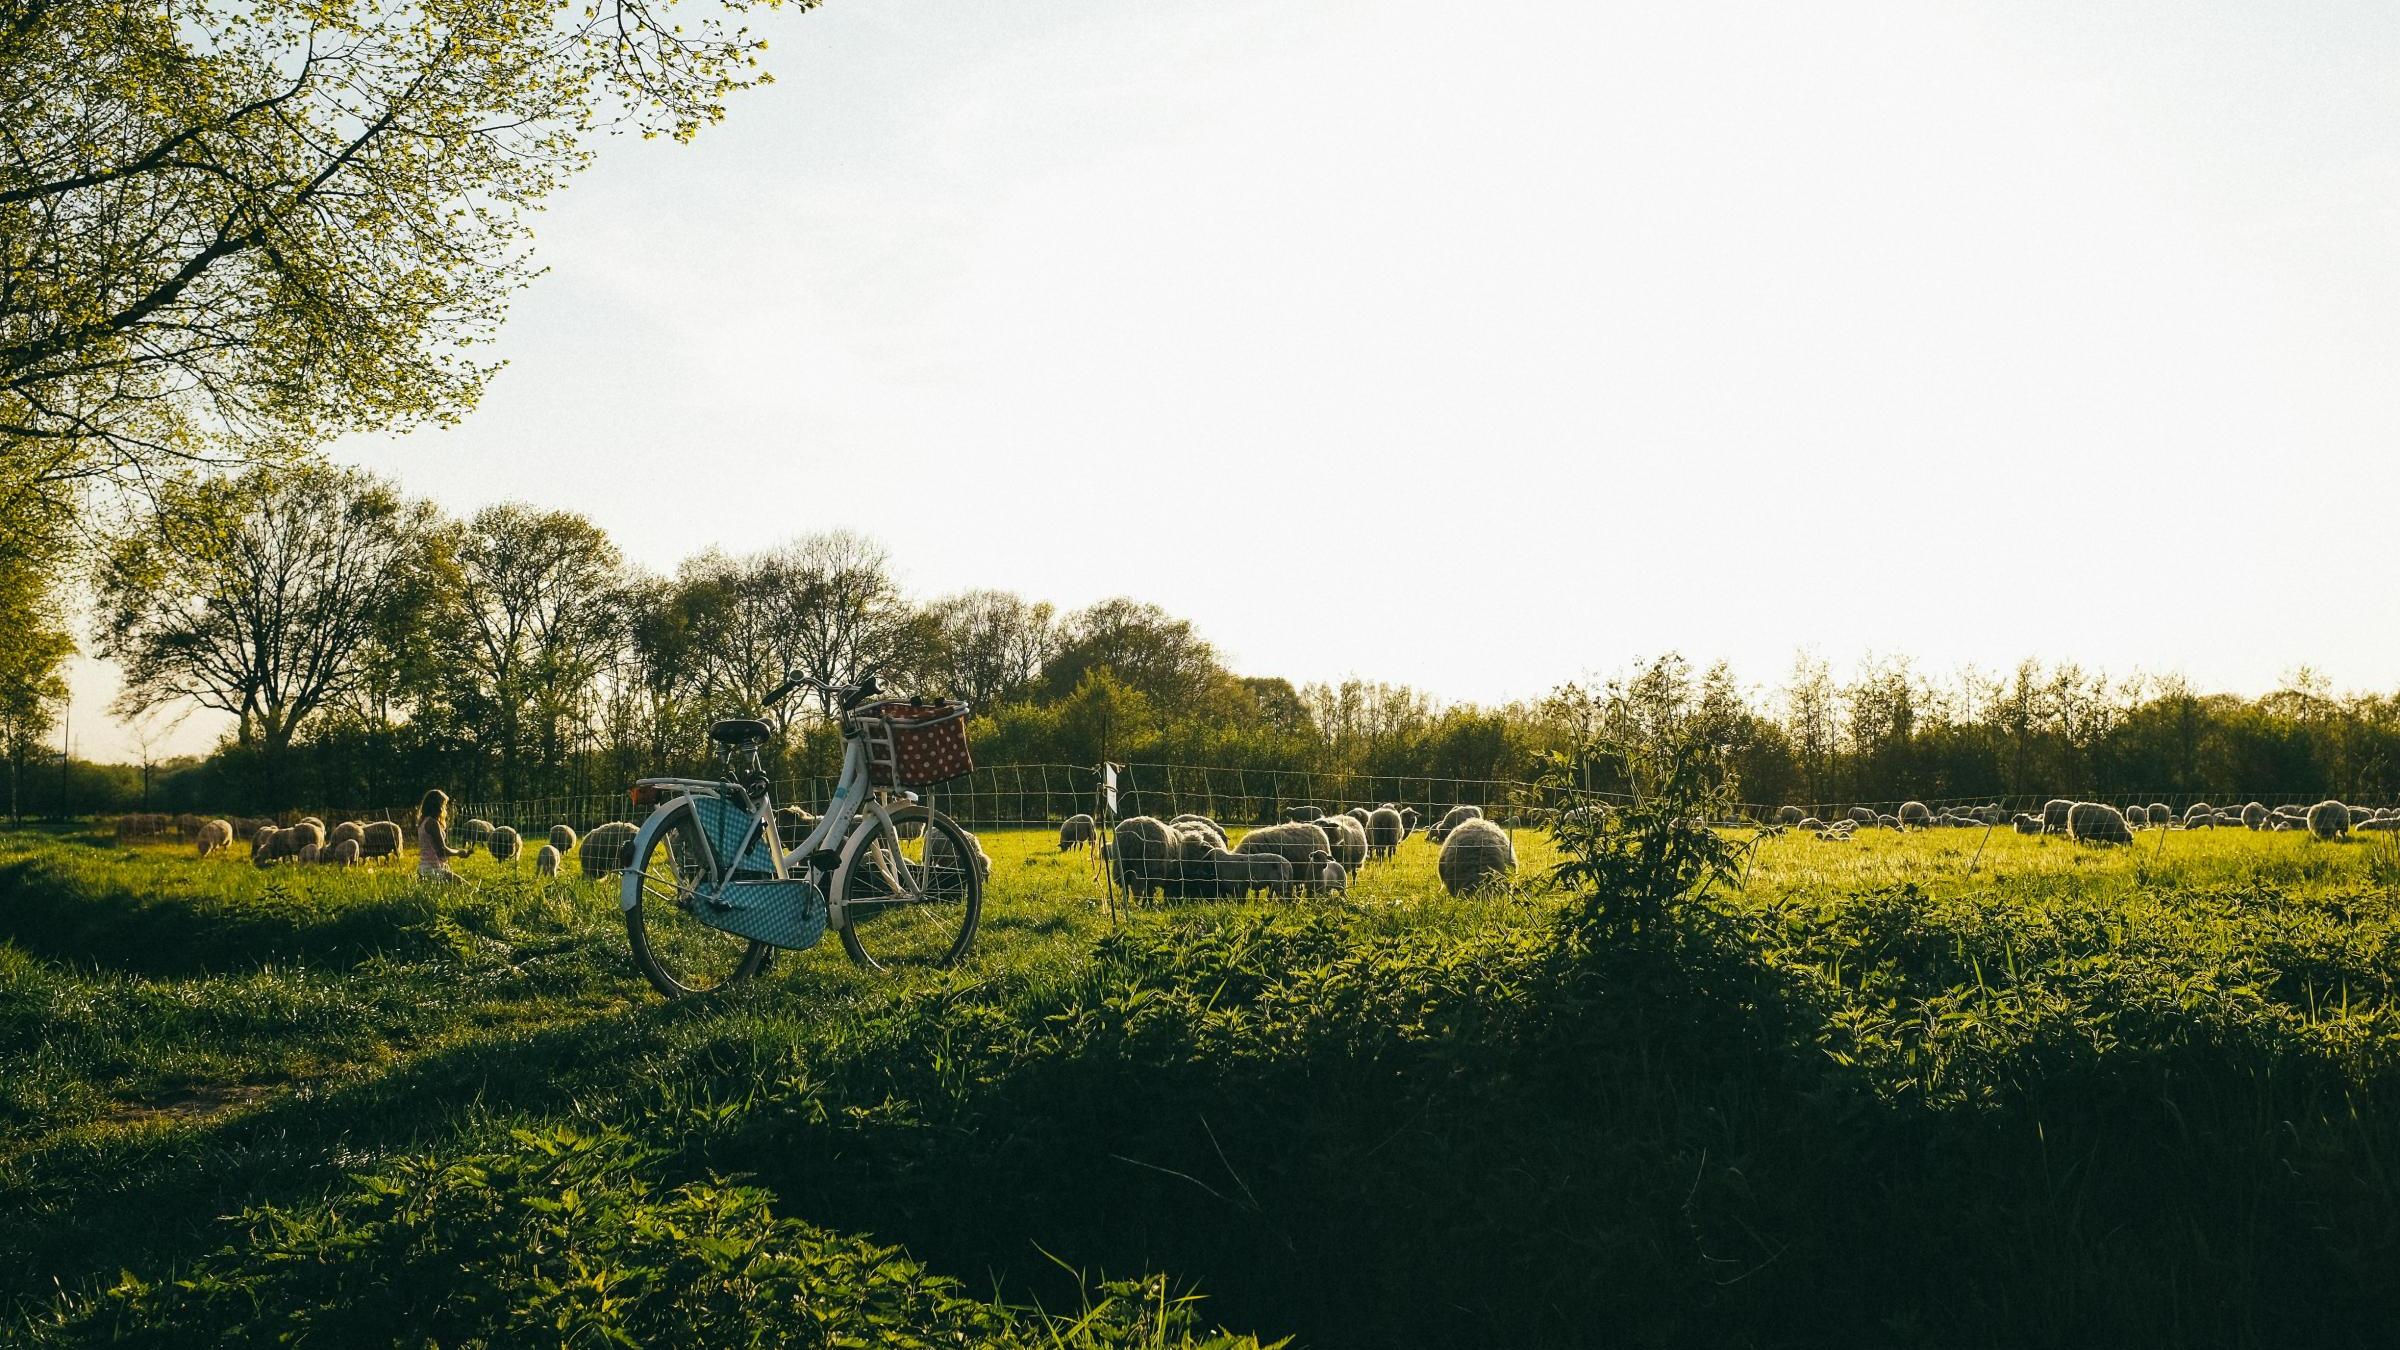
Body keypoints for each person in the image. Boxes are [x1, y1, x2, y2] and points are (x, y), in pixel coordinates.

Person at [416, 788, 468, 883]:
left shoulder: (423, 822)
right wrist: (458, 852)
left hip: (424, 869)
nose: (445, 808)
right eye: (444, 805)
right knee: (468, 888)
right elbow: (442, 850)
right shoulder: (432, 823)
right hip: (434, 870)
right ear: (437, 806)